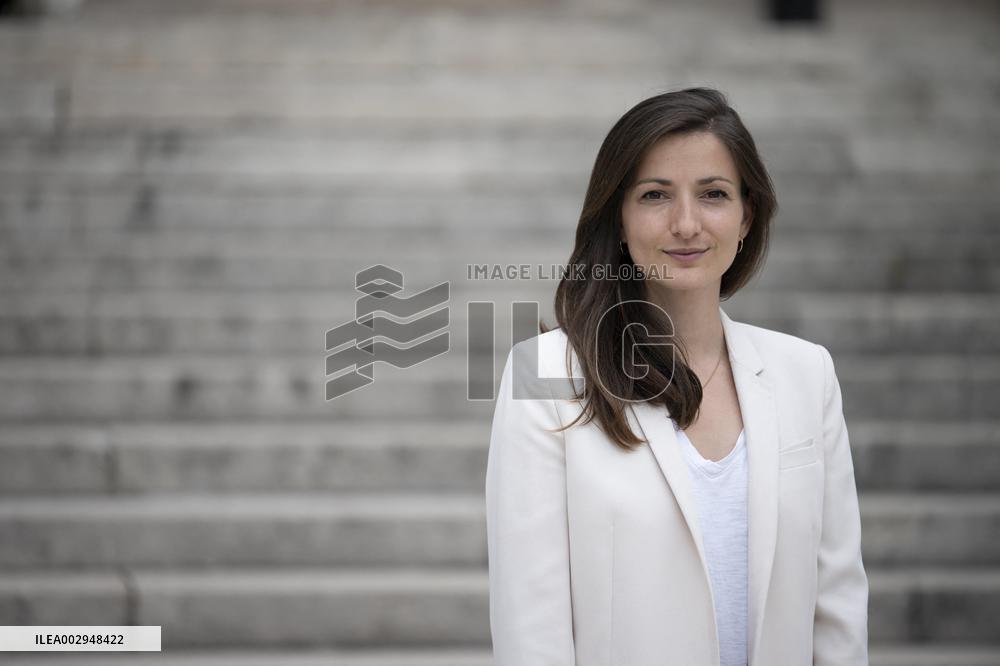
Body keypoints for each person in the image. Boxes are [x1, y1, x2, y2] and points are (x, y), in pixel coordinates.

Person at [485, 87, 868, 665]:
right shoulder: (544, 376)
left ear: (746, 218)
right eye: (655, 195)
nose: (685, 223)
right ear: (618, 217)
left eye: (713, 194)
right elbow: (530, 624)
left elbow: (837, 608)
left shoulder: (806, 373)